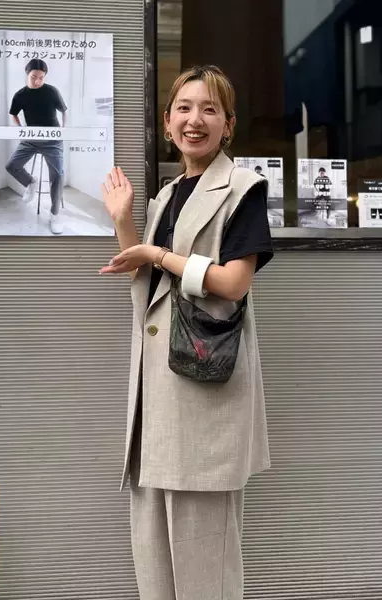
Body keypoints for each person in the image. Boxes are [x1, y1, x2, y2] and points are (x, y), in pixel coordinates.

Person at [100, 65, 274, 600]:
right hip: (155, 397)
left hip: (205, 394)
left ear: (228, 125)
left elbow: (233, 283)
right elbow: (148, 285)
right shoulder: (167, 195)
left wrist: (158, 253)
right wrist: (124, 220)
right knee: (153, 559)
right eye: (184, 108)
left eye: (209, 109)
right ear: (168, 121)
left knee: (204, 570)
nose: (194, 120)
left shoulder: (242, 189)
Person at [5, 59, 67, 235]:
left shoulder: (52, 91)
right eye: (34, 77)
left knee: (57, 175)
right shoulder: (20, 95)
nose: (37, 81)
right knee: (11, 166)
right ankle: (31, 182)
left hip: (53, 141)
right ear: (27, 74)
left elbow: (64, 111)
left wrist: (63, 130)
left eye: (41, 77)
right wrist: (21, 129)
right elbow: (14, 114)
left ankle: (55, 214)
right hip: (30, 139)